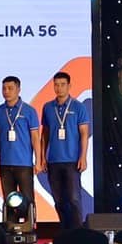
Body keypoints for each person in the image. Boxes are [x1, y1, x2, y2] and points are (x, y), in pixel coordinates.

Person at [0, 76, 42, 231]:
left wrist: (38, 160)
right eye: (4, 88)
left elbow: (35, 137)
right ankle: (10, 230)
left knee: (27, 199)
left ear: (18, 89)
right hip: (5, 164)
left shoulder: (29, 111)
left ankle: (30, 229)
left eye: (10, 88)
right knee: (9, 200)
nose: (6, 91)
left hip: (24, 163)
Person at [41, 71, 91, 230]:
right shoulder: (48, 107)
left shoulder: (78, 107)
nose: (59, 88)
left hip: (72, 160)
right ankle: (65, 230)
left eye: (62, 85)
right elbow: (45, 134)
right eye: (56, 85)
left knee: (74, 199)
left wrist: (83, 157)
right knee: (58, 200)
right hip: (53, 160)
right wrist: (42, 157)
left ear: (69, 86)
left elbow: (84, 134)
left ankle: (77, 232)